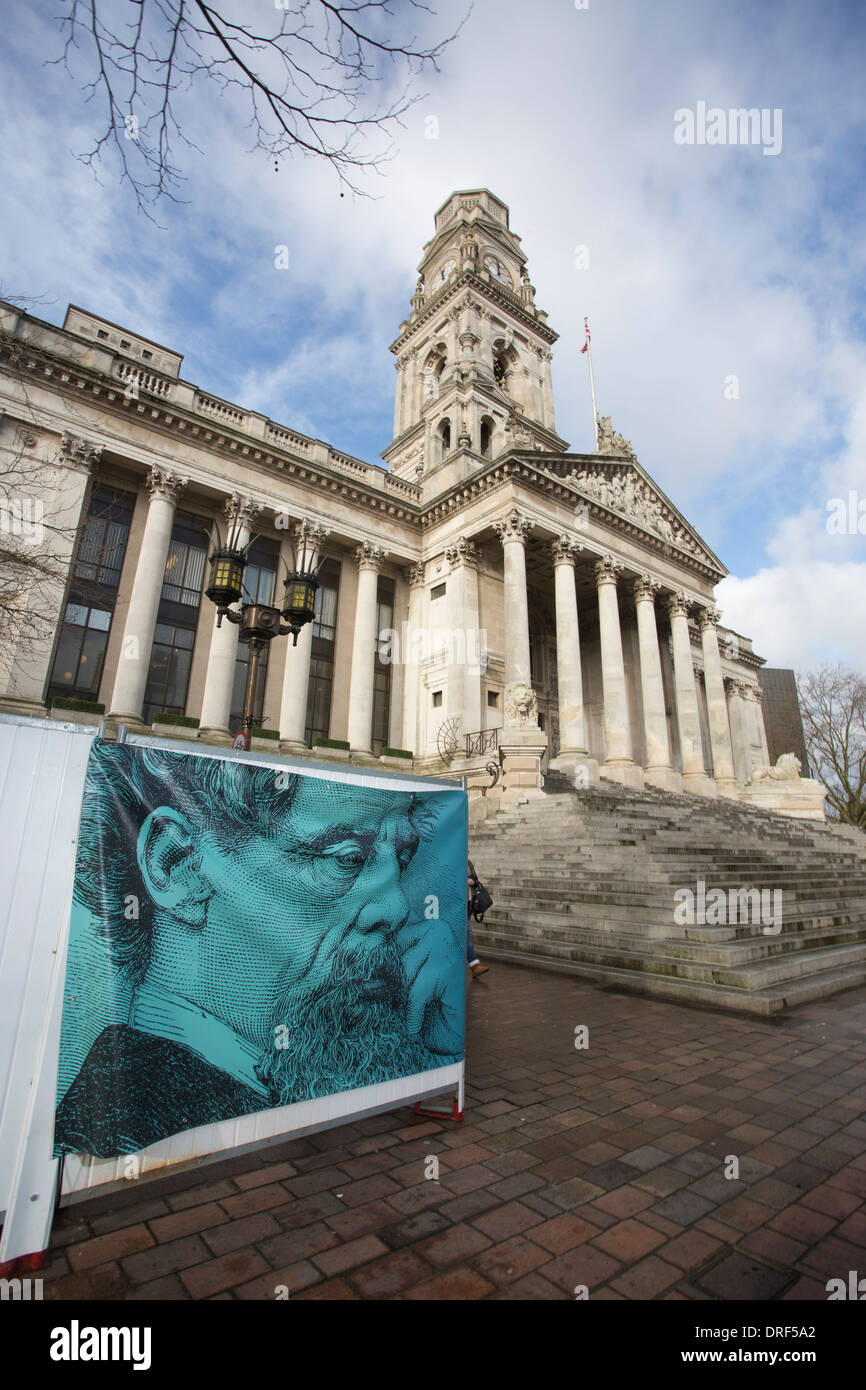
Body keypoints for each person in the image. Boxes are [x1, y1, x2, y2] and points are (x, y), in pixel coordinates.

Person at [54, 741, 464, 1157]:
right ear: (175, 865)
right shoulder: (119, 1131)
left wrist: (431, 1047)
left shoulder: (278, 1080)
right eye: (346, 857)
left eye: (402, 857)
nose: (395, 907)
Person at [466, 858, 489, 979]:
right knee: (467, 933)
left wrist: (471, 881)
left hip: (469, 903)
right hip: (456, 903)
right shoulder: (451, 859)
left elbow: (475, 880)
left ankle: (473, 965)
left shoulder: (468, 863)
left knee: (465, 934)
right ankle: (474, 964)